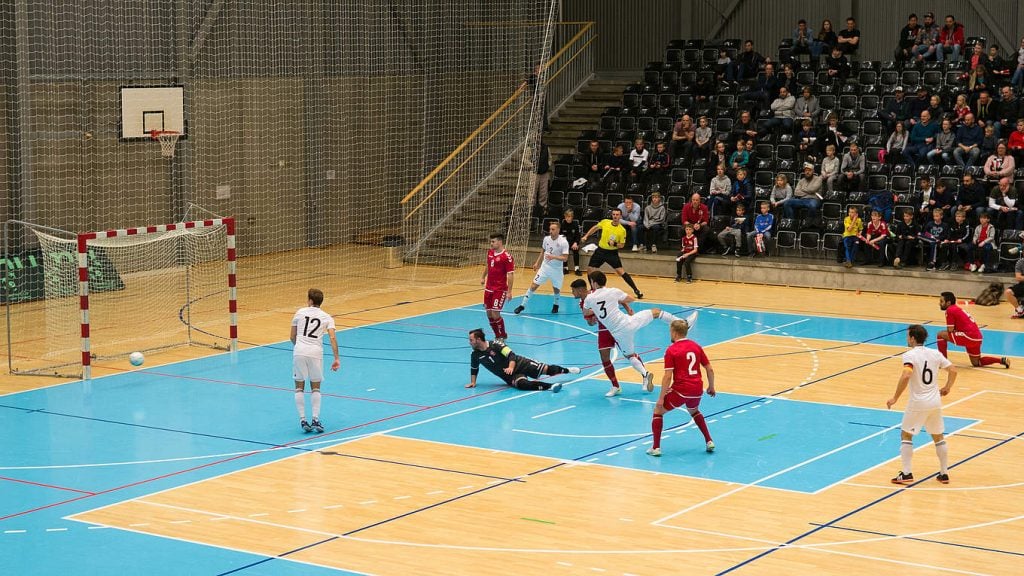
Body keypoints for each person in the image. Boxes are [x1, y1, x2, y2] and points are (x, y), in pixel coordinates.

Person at [580, 270, 684, 395]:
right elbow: (631, 299)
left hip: (618, 333)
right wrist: (614, 301)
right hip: (629, 322)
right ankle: (682, 322)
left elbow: (586, 313)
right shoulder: (613, 291)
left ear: (594, 283)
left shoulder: (589, 298)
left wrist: (597, 309)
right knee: (656, 312)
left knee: (630, 356)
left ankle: (646, 374)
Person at [886, 324, 958, 485]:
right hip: (935, 401)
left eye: (907, 336)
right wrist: (947, 387)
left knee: (906, 435)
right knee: (938, 437)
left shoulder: (909, 355)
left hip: (918, 402)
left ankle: (906, 473)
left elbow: (906, 375)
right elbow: (953, 370)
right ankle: (944, 473)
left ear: (912, 338)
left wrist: (895, 397)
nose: (906, 338)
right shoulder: (935, 353)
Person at [647, 318, 715, 457]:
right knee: (694, 411)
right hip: (697, 389)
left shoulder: (672, 350)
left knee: (658, 411)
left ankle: (656, 447)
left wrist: (660, 399)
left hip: (682, 389)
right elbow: (709, 369)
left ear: (674, 332)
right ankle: (709, 441)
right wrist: (711, 387)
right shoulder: (696, 346)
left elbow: (667, 376)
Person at [291, 288, 340, 434]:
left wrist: (299, 348)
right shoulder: (327, 317)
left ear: (310, 301)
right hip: (316, 353)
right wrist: (336, 358)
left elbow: (292, 336)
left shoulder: (299, 312)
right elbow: (332, 337)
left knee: (299, 386)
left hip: (299, 351)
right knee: (316, 387)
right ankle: (315, 419)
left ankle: (303, 420)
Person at [465, 328, 578, 391]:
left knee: (548, 370)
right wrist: (473, 382)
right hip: (510, 376)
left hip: (520, 364)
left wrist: (510, 367)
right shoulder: (475, 355)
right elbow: (474, 368)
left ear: (478, 339)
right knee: (523, 385)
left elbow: (511, 355)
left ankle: (567, 370)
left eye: (471, 340)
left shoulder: (495, 344)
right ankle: (551, 386)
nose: (469, 342)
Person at [570, 278, 624, 397]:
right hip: (603, 329)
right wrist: (593, 320)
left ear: (579, 290)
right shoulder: (582, 303)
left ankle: (644, 375)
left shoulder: (596, 294)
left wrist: (628, 308)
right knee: (604, 357)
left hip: (616, 325)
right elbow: (589, 322)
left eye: (573, 291)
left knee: (628, 353)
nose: (572, 293)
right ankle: (615, 386)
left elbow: (618, 298)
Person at [580, 209, 644, 298]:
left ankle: (636, 290)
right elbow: (595, 228)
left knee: (621, 272)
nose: (615, 216)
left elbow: (622, 245)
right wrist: (586, 236)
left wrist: (614, 244)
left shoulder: (622, 230)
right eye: (613, 214)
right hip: (600, 251)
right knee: (590, 269)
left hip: (612, 253)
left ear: (620, 216)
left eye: (617, 215)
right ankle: (593, 289)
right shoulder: (605, 222)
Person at [937, 291, 1010, 368]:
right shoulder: (956, 309)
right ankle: (1001, 360)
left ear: (948, 303)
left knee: (940, 335)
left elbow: (950, 330)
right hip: (977, 337)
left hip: (969, 336)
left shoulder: (950, 310)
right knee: (976, 362)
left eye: (941, 301)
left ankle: (943, 362)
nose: (939, 303)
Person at [515, 222, 568, 315]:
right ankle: (522, 305)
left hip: (557, 270)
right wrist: (537, 263)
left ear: (558, 230)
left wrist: (553, 257)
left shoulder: (563, 242)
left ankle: (556, 304)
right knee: (534, 285)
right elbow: (542, 251)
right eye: (550, 229)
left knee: (556, 289)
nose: (550, 231)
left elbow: (565, 258)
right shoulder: (546, 239)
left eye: (553, 229)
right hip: (545, 267)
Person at [481, 233, 514, 341]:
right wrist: (483, 277)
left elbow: (510, 274)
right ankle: (497, 335)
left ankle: (502, 335)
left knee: (495, 313)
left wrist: (509, 291)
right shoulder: (490, 253)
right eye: (491, 241)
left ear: (500, 242)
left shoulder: (507, 257)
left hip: (499, 289)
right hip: (488, 288)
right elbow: (488, 265)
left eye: (493, 241)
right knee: (489, 314)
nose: (491, 244)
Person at [560, 209, 582, 276]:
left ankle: (577, 269)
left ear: (572, 217)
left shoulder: (575, 224)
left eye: (569, 216)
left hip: (573, 243)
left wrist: (576, 243)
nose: (568, 218)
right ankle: (565, 268)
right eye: (567, 217)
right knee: (564, 251)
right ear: (565, 217)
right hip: (565, 243)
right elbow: (560, 235)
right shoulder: (562, 225)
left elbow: (578, 236)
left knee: (576, 250)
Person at [1005, 250, 1024, 318]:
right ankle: (1020, 310)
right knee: (1008, 292)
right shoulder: (1020, 262)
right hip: (1022, 285)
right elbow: (1018, 277)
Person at [534, 141, 551, 210]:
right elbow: (525, 159)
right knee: (532, 193)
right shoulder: (531, 147)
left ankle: (543, 208)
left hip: (544, 173)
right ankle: (532, 208)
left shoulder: (546, 147)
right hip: (534, 173)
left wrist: (547, 166)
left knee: (544, 192)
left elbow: (550, 158)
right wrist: (532, 166)